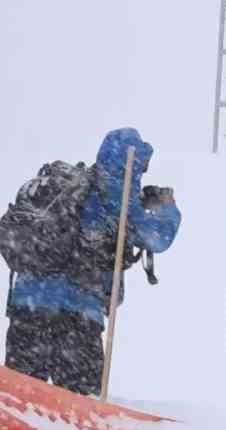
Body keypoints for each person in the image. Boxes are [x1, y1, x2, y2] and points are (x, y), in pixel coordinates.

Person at [3, 128, 182, 395]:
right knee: (77, 398)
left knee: (20, 395)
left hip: (28, 305)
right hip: (77, 314)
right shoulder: (117, 197)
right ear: (134, 162)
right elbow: (157, 238)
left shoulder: (71, 188)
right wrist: (167, 206)